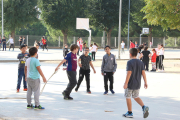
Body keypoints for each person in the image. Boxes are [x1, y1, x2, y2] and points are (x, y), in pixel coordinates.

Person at [123, 48, 149, 118]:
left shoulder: (130, 62)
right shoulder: (141, 62)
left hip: (130, 84)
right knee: (136, 96)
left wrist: (126, 83)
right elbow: (143, 73)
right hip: (137, 83)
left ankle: (130, 112)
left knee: (128, 96)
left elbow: (129, 73)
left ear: (130, 54)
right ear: (137, 54)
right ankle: (144, 107)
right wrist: (145, 82)